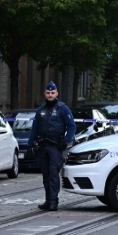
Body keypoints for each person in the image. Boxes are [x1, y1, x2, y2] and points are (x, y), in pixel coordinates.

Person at [27, 81, 76, 211]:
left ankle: (54, 201)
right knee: (46, 174)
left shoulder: (63, 108)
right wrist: (29, 144)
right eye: (48, 93)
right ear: (44, 93)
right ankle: (48, 200)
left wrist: (65, 141)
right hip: (43, 146)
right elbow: (34, 128)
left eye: (52, 93)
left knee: (54, 174)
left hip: (55, 146)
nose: (50, 95)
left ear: (57, 93)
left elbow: (72, 126)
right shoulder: (41, 110)